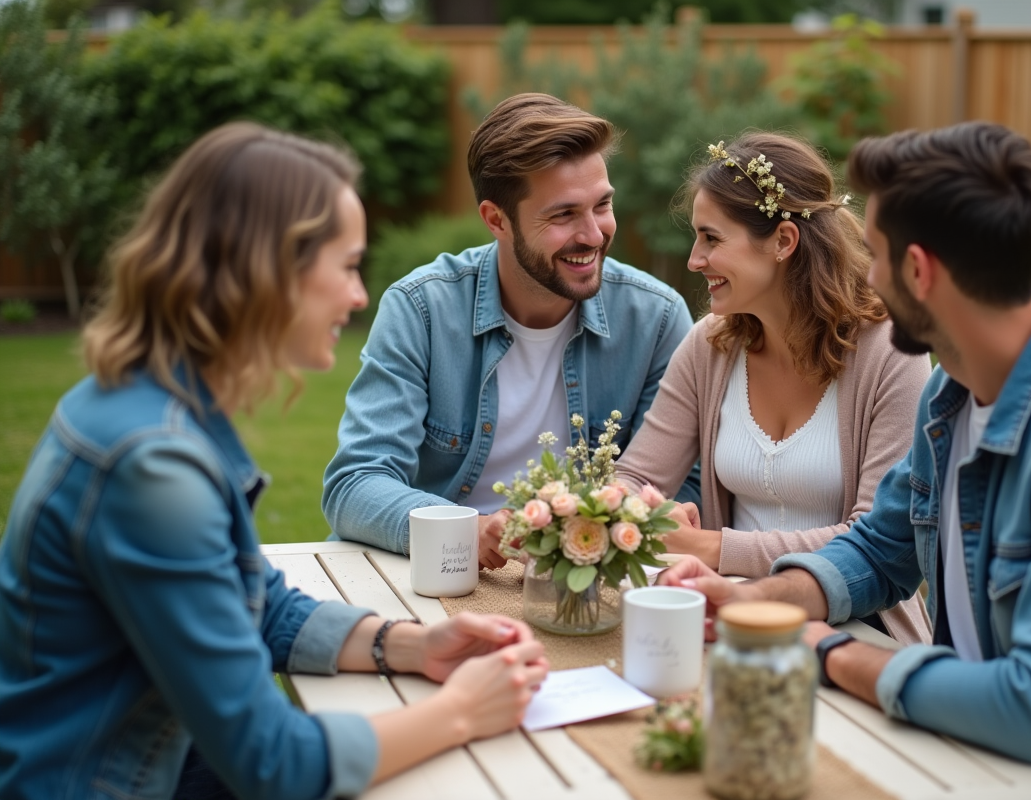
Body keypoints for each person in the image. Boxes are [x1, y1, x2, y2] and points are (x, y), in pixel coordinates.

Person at [0, 123, 548, 800]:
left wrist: (406, 644)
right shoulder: (154, 468)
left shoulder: (148, 402)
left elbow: (247, 601)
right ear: (269, 270)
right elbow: (271, 762)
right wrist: (463, 710)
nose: (357, 296)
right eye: (347, 266)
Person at [659, 122, 1031, 799]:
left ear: (919, 271)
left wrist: (829, 651)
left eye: (874, 253)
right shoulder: (954, 393)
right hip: (959, 754)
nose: (862, 271)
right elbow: (882, 550)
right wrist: (753, 602)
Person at [323, 93, 699, 569]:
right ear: (496, 220)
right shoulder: (422, 308)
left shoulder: (656, 318)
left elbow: (683, 485)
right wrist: (468, 530)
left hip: (583, 583)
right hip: (438, 571)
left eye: (601, 205)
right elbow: (356, 482)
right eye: (563, 214)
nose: (594, 234)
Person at [615, 132, 931, 645]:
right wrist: (635, 509)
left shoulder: (892, 351)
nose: (695, 260)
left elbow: (876, 540)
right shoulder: (709, 346)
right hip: (721, 619)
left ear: (784, 242)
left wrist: (711, 548)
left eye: (712, 239)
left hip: (855, 627)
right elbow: (634, 475)